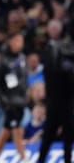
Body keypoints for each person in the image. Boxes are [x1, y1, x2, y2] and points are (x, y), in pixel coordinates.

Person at [0, 32, 29, 163]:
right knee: (17, 129)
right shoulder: (2, 59)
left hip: (21, 101)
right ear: (10, 42)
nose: (20, 43)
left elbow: (23, 80)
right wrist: (3, 100)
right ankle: (24, 158)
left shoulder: (22, 58)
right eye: (17, 40)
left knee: (5, 132)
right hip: (10, 102)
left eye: (21, 40)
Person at [38, 35, 74, 163]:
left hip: (63, 104)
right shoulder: (51, 68)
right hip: (57, 104)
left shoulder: (63, 67)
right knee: (49, 137)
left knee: (65, 138)